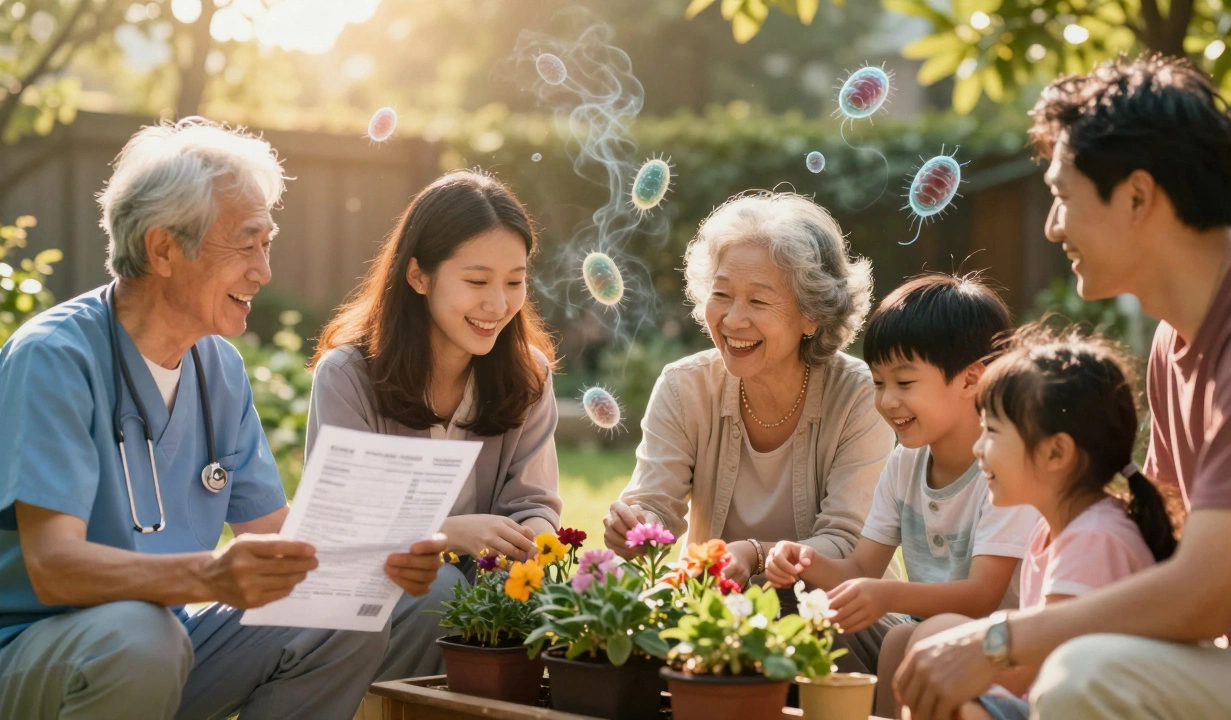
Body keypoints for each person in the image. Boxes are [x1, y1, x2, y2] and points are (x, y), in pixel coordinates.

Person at [0, 118, 448, 720]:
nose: (263, 272)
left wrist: (380, 558)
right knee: (141, 638)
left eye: (268, 244)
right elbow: (53, 570)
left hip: (167, 642)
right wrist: (209, 576)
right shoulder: (54, 359)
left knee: (343, 617)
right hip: (37, 649)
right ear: (163, 248)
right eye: (246, 244)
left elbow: (273, 537)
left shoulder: (220, 368)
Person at [894, 55, 1231, 720]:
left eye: (1063, 195)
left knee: (1086, 675)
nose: (1051, 225)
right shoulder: (1175, 341)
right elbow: (1163, 544)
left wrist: (999, 640)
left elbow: (1203, 594)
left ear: (1137, 196)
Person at [603, 190, 898, 672]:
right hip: (712, 616)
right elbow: (653, 503)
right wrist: (634, 523)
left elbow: (849, 545)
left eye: (758, 300)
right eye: (721, 295)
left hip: (831, 616)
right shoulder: (684, 387)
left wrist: (757, 557)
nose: (733, 319)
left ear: (812, 315)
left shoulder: (860, 396)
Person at [306, 169, 561, 679]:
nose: (498, 304)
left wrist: (529, 546)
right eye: (476, 281)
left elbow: (533, 503)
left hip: (477, 579)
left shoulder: (527, 375)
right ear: (419, 275)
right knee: (437, 590)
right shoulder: (349, 376)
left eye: (515, 282)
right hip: (367, 590)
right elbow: (343, 527)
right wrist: (448, 533)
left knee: (548, 597)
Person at [767, 273, 1039, 717]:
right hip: (925, 635)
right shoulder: (905, 465)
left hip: (1006, 654)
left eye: (905, 383)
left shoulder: (1006, 469)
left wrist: (888, 596)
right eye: (878, 383)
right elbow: (860, 568)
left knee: (907, 636)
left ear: (972, 379)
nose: (887, 401)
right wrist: (806, 561)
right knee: (888, 636)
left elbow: (981, 596)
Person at [903, 325, 1176, 720]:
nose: (978, 448)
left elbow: (1033, 667)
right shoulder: (1049, 531)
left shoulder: (1095, 538)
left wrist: (951, 669)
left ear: (1055, 453)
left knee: (948, 692)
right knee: (934, 638)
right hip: (1046, 702)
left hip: (1075, 704)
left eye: (992, 432)